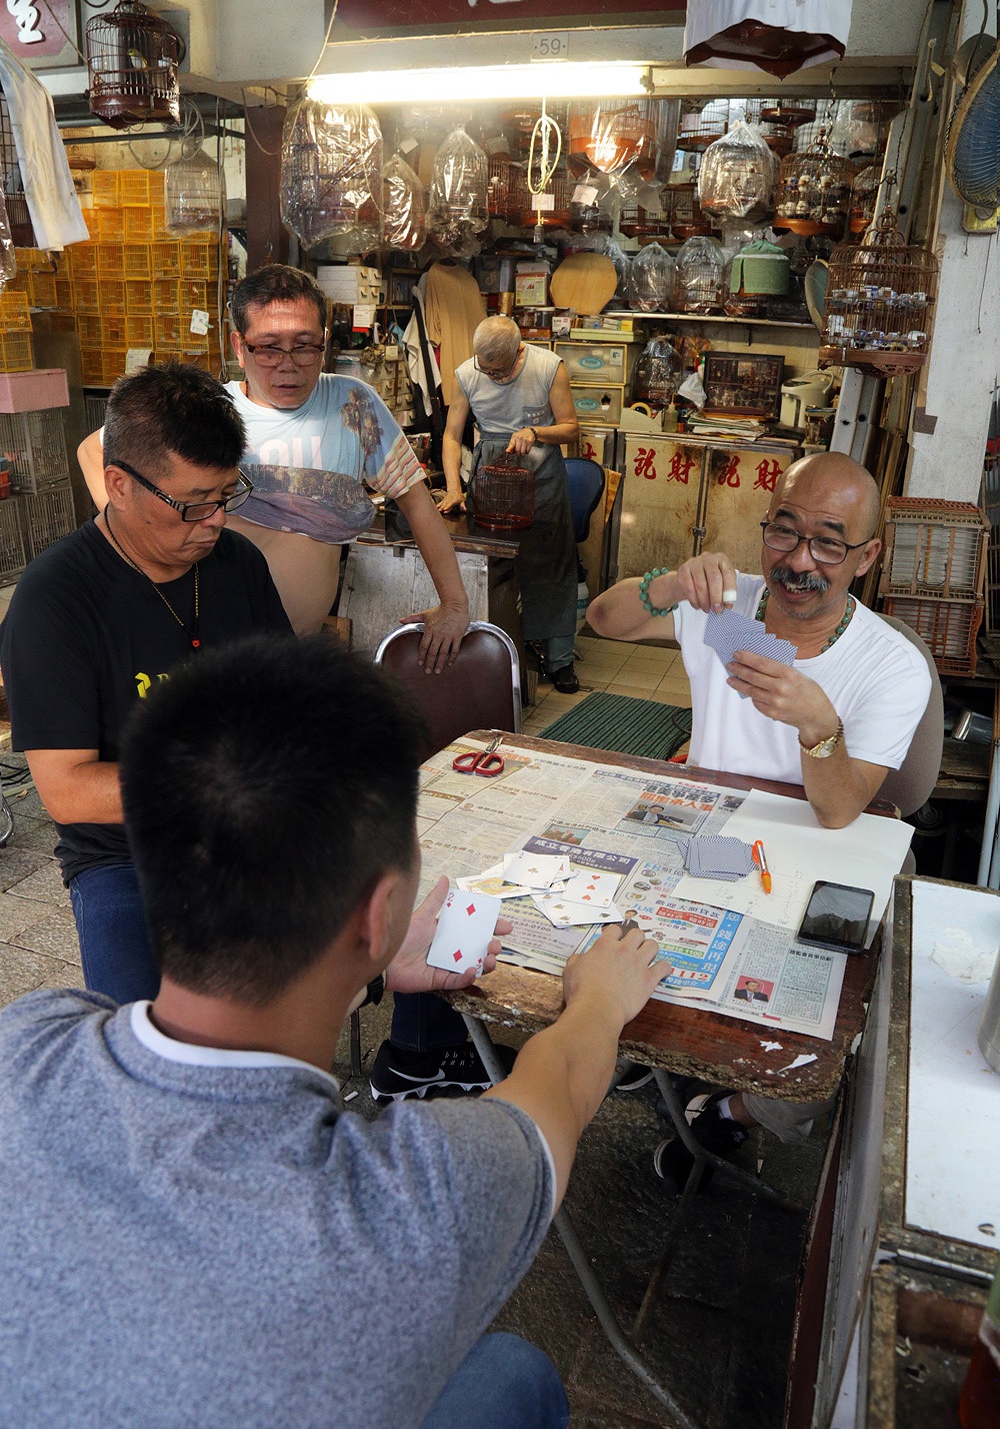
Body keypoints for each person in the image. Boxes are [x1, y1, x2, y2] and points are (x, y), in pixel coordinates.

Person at [0, 633, 666, 1428]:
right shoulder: (419, 1198)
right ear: (381, 911)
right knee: (516, 1375)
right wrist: (599, 998)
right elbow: (557, 1087)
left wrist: (368, 971)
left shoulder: (28, 1040)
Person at [588, 451, 932, 1189]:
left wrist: (820, 728)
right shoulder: (726, 612)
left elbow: (840, 808)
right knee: (606, 928)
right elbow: (603, 618)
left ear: (866, 556)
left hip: (808, 858)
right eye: (786, 531)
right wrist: (672, 582)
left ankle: (731, 1114)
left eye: (830, 542)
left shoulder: (888, 664)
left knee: (812, 1052)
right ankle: (655, 1052)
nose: (800, 561)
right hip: (706, 843)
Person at [0, 363, 291, 1005]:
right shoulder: (54, 601)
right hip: (128, 857)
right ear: (118, 485)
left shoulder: (237, 565)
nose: (214, 521)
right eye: (192, 505)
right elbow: (69, 792)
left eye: (226, 496)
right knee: (144, 1037)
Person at [78, 265, 470, 672]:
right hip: (196, 654)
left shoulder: (354, 405)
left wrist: (455, 604)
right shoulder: (206, 411)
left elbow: (417, 502)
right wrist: (137, 543)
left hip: (291, 657)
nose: (288, 365)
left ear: (325, 343)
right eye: (268, 347)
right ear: (238, 346)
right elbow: (93, 451)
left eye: (304, 346)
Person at [439, 315, 581, 694]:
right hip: (490, 482)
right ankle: (497, 651)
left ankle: (560, 658)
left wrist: (535, 432)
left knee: (552, 562)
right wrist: (454, 487)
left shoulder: (548, 367)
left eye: (500, 372)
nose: (493, 378)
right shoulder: (468, 373)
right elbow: (452, 436)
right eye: (486, 371)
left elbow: (570, 427)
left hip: (543, 481)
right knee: (493, 565)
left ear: (520, 351)